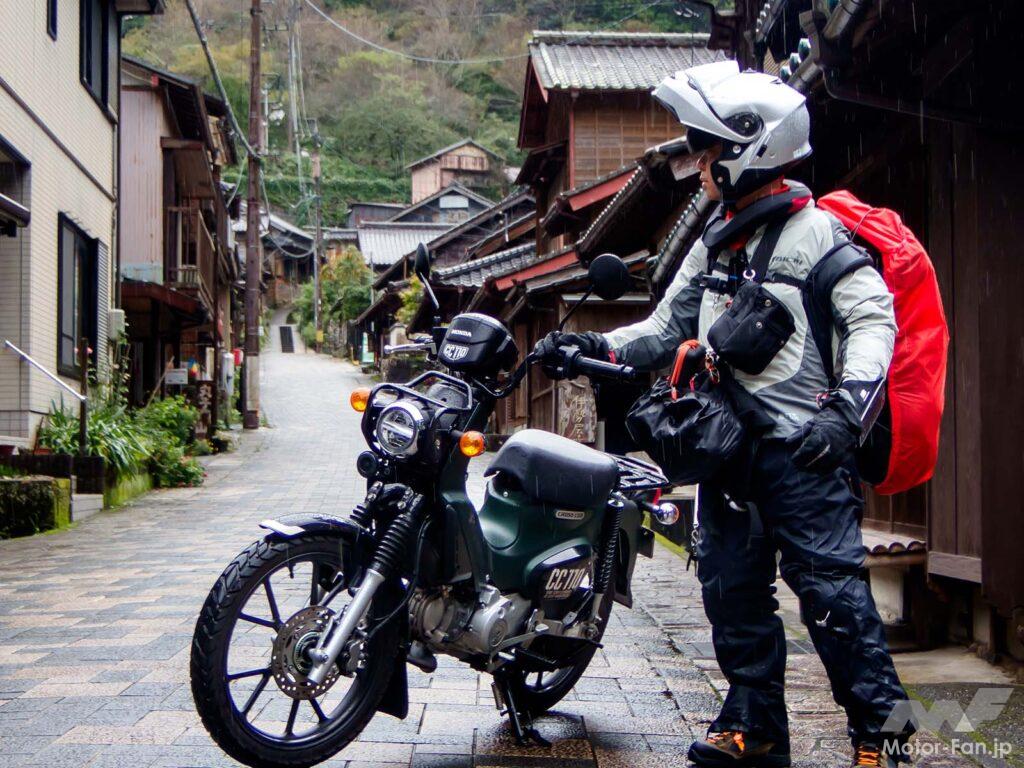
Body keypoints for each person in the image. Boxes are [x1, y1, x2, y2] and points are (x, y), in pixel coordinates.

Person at [535, 61, 914, 768]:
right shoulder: (718, 238)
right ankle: (756, 727)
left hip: (808, 454)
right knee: (732, 595)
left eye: (709, 148)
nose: (700, 162)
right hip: (730, 456)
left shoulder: (822, 238)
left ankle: (884, 738)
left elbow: (873, 323)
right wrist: (589, 344)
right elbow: (661, 327)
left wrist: (846, 412)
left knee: (837, 606)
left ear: (751, 148)